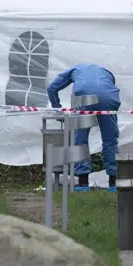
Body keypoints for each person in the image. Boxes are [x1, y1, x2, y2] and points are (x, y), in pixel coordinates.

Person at [47, 64, 121, 192]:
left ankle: (83, 183)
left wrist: (57, 108)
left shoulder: (74, 70)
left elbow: (51, 88)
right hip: (109, 96)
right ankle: (113, 183)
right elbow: (109, 86)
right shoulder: (106, 73)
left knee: (80, 140)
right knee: (110, 140)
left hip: (83, 95)